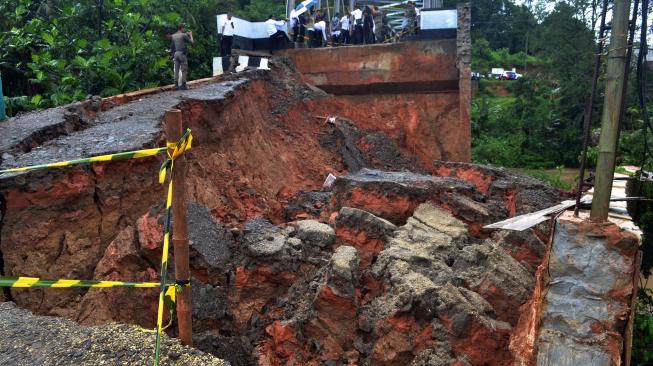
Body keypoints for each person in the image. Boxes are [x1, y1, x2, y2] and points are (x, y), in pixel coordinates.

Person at [171, 24, 193, 90]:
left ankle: (176, 85)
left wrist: (186, 34)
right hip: (182, 54)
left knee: (176, 70)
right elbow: (192, 42)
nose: (184, 30)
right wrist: (191, 35)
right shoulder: (183, 35)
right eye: (184, 28)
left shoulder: (173, 35)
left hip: (176, 54)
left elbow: (180, 36)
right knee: (184, 69)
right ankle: (184, 85)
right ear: (182, 28)